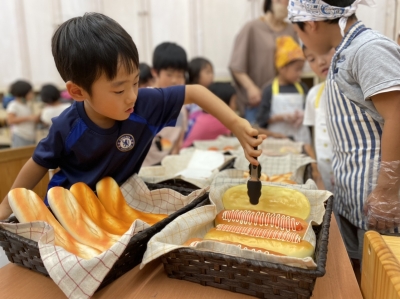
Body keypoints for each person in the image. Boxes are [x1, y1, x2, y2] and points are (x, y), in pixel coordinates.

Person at [0, 13, 264, 220]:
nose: (131, 96)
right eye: (118, 89)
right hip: (70, 215)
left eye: (136, 82)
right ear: (78, 92)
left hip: (119, 208)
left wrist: (236, 123)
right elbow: (36, 164)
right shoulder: (67, 127)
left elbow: (194, 92)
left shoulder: (143, 105)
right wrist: (4, 208)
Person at [288, 0, 400, 279]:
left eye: (297, 31)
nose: (300, 38)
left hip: (379, 202)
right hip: (352, 199)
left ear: (310, 24)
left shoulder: (368, 48)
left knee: (381, 281)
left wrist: (387, 191)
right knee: (355, 276)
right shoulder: (343, 53)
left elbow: (397, 116)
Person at [229, 0, 297, 124]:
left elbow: (296, 63)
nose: (285, 4)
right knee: (257, 140)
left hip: (284, 102)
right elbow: (236, 66)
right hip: (258, 103)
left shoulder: (291, 30)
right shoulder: (251, 28)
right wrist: (251, 88)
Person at [256, 36, 310, 144]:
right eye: (297, 69)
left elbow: (310, 111)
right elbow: (262, 119)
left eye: (301, 69)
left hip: (300, 137)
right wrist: (280, 117)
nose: (300, 73)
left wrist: (302, 115)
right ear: (282, 68)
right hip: (277, 138)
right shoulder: (269, 90)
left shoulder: (302, 88)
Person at [142, 42, 189, 166]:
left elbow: (177, 145)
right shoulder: (145, 101)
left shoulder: (181, 108)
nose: (175, 80)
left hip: (163, 169)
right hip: (140, 167)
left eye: (180, 75)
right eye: (169, 74)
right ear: (155, 72)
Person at [302, 45, 336, 191]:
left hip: (349, 178)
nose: (320, 62)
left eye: (325, 52)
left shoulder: (355, 92)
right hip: (324, 176)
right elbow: (311, 137)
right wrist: (315, 170)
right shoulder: (314, 95)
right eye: (312, 59)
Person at [182, 82, 233, 148]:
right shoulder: (221, 121)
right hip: (191, 152)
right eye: (234, 101)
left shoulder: (202, 114)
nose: (236, 105)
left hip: (186, 148)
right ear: (224, 102)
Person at [186, 57, 215, 139]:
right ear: (195, 74)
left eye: (212, 72)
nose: (212, 76)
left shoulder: (211, 94)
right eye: (208, 72)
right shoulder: (188, 95)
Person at [6, 80, 39, 148]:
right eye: (30, 92)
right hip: (20, 135)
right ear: (23, 93)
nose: (32, 94)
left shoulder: (26, 105)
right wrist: (28, 117)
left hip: (30, 136)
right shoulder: (13, 105)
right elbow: (10, 120)